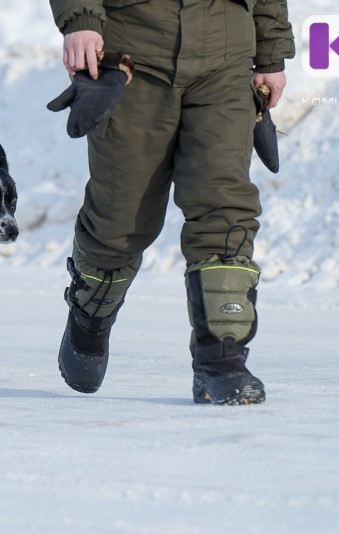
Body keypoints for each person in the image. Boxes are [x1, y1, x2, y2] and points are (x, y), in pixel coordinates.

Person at [48, 0, 295, 404]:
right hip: (133, 48)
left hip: (226, 47)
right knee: (120, 216)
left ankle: (222, 357)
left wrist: (271, 51)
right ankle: (91, 309)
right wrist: (81, 20)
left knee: (224, 203)